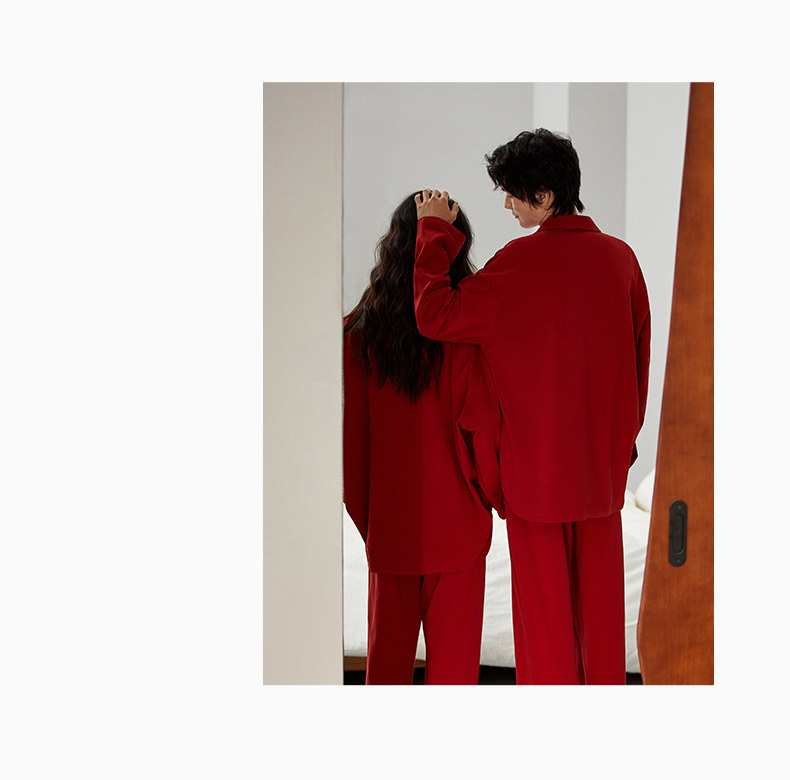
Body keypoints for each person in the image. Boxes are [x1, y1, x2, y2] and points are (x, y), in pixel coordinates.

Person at [412, 129, 651, 685]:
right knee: (601, 626)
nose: (507, 204)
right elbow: (639, 366)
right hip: (599, 477)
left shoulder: (516, 265)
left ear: (544, 195)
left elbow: (435, 314)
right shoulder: (621, 261)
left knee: (545, 629)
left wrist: (434, 230)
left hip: (535, 481)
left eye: (513, 193)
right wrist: (618, 448)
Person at [343, 191, 504, 685]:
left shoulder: (354, 336)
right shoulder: (464, 336)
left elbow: (350, 448)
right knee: (454, 673)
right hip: (457, 525)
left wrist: (371, 521)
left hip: (389, 526)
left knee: (385, 669)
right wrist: (493, 499)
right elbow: (482, 430)